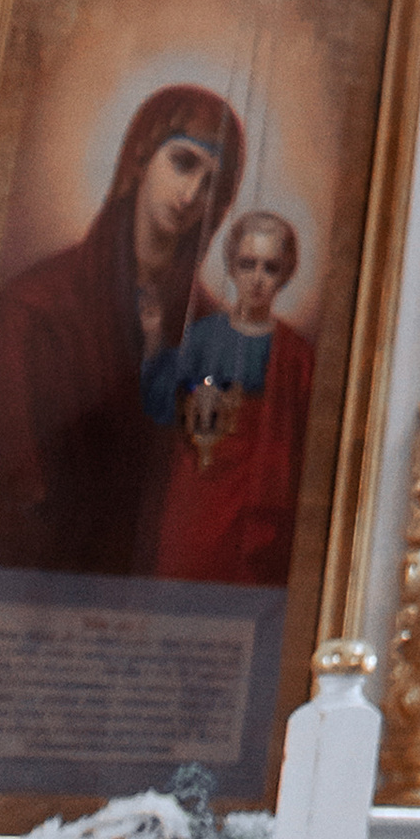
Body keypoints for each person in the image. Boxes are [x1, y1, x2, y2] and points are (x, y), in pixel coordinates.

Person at [0, 87, 246, 574]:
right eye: (183, 163)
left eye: (211, 183)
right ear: (140, 156)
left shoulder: (211, 330)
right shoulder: (35, 309)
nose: (191, 195)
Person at [143, 207, 313, 589]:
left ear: (285, 275)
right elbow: (163, 404)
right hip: (200, 494)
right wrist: (154, 340)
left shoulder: (297, 354)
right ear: (232, 267)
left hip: (260, 501)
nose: (256, 279)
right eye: (247, 264)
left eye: (269, 268)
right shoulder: (203, 338)